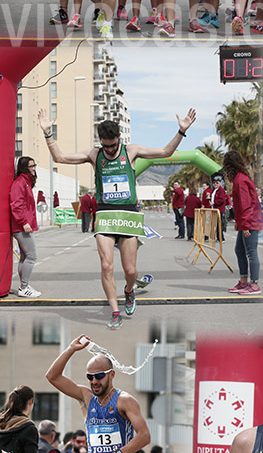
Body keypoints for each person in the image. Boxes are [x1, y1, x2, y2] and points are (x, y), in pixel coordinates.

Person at [37, 106, 196, 328]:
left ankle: (129, 290)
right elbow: (60, 157)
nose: (110, 150)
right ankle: (114, 311)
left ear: (118, 138)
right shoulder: (94, 154)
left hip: (128, 214)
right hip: (105, 214)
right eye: (106, 145)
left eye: (112, 146)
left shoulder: (131, 151)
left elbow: (165, 152)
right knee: (107, 267)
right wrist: (47, 133)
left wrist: (181, 132)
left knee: (130, 270)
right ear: (100, 140)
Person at [222, 151, 263, 296]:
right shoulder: (240, 179)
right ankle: (244, 281)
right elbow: (241, 206)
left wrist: (245, 225)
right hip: (246, 221)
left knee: (251, 253)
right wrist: (239, 222)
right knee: (239, 250)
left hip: (250, 221)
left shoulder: (240, 181)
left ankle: (254, 284)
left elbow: (246, 205)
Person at [9, 156, 40, 298]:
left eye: (34, 165)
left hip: (24, 225)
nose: (34, 168)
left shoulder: (26, 182)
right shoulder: (20, 182)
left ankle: (24, 285)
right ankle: (24, 287)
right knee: (32, 256)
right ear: (24, 167)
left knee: (24, 257)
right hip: (21, 226)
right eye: (31, 166)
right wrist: (24, 222)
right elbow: (16, 205)